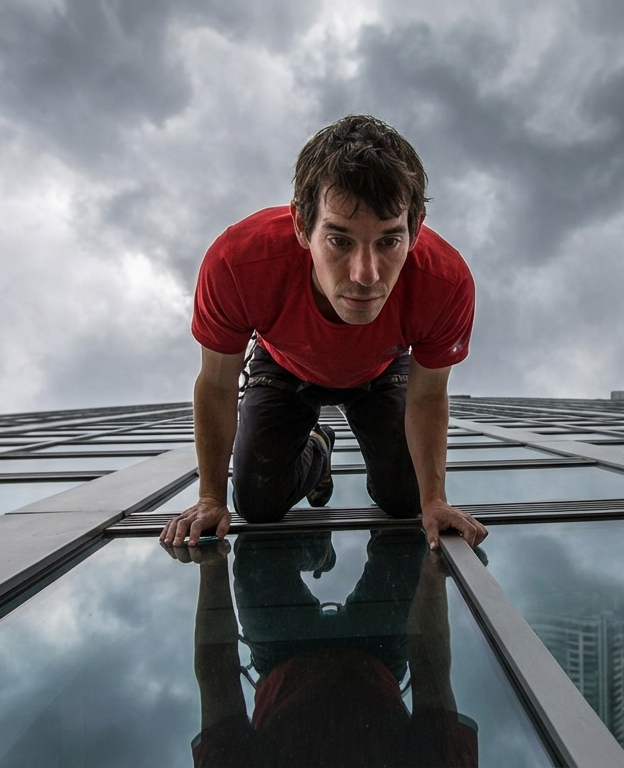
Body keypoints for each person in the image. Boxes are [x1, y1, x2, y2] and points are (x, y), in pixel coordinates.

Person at [159, 115, 487, 551]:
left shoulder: (445, 282)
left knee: (406, 501)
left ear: (416, 228)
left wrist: (435, 501)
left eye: (389, 241)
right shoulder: (237, 263)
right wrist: (209, 499)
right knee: (257, 504)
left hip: (380, 370)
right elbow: (218, 384)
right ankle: (318, 443)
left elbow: (428, 395)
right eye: (340, 241)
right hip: (284, 366)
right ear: (301, 225)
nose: (366, 275)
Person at [166, 531, 478, 767]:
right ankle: (323, 544)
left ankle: (318, 549)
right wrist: (432, 575)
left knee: (260, 546)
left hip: (283, 653)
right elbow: (431, 674)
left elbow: (218, 679)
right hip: (375, 654)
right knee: (406, 542)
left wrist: (210, 558)